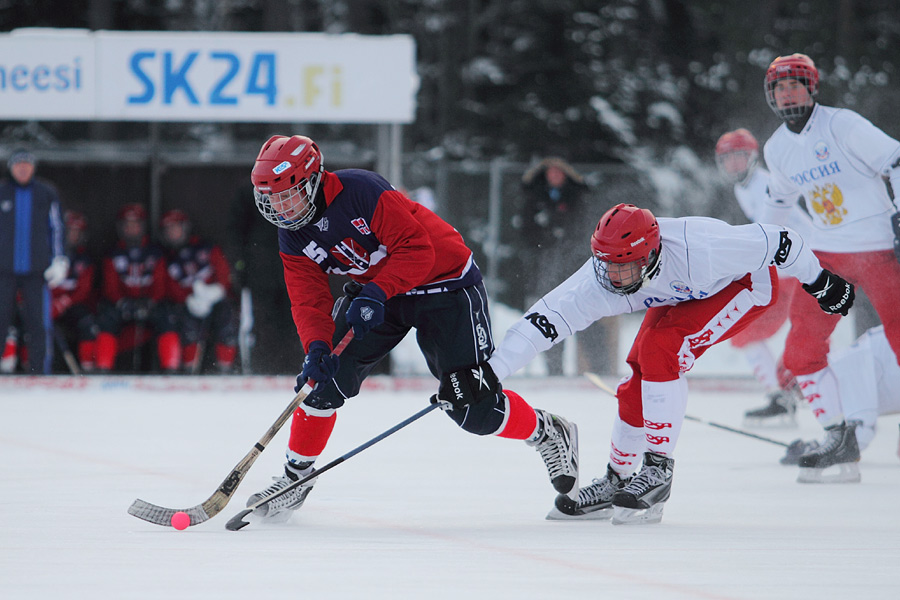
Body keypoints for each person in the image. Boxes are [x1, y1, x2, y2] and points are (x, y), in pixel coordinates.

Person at [244, 134, 579, 522]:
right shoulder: (292, 233)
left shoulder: (363, 191)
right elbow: (308, 299)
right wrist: (317, 346)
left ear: (314, 178)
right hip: (383, 293)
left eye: (288, 195)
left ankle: (548, 431)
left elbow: (419, 250)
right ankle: (295, 479)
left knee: (472, 408)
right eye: (272, 199)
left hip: (446, 286)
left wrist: (376, 292)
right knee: (321, 383)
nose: (280, 209)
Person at [482, 203, 852, 524]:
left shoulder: (703, 249)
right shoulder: (602, 277)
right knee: (638, 367)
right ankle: (618, 477)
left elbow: (783, 241)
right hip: (683, 291)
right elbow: (542, 322)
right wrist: (489, 375)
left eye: (623, 269)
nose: (612, 279)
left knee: (663, 349)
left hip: (744, 285)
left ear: (651, 256)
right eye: (606, 266)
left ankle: (658, 469)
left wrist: (821, 282)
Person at [759, 53, 900, 482]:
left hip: (878, 246)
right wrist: (755, 250)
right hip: (828, 255)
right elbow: (777, 204)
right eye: (779, 87)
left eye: (795, 84)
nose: (787, 93)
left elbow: (895, 161)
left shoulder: (844, 125)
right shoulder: (776, 148)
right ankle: (840, 438)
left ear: (813, 87)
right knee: (800, 349)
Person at [715, 128, 813, 427]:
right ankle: (788, 390)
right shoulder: (744, 188)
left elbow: (768, 234)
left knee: (746, 332)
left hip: (797, 270)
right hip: (791, 269)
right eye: (728, 158)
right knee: (757, 334)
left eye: (740, 156)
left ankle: (784, 395)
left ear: (753, 157)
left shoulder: (763, 185)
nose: (734, 164)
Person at [516, 157, 606, 374]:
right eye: (551, 172)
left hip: (576, 268)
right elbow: (526, 231)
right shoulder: (534, 199)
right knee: (551, 319)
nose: (554, 176)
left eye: (559, 172)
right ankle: (554, 371)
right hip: (546, 270)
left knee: (587, 316)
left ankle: (599, 368)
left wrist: (565, 239)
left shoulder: (578, 198)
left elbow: (585, 229)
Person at [779, 325, 900, 465]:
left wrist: (814, 450)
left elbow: (860, 434)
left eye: (798, 388)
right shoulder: (846, 362)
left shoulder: (845, 367)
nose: (801, 397)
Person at [0, 149, 68, 375]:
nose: (22, 169)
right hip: (4, 270)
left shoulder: (46, 193)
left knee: (37, 323)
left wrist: (59, 259)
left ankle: (38, 371)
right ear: (11, 168)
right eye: (18, 165)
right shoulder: (2, 192)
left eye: (26, 165)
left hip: (35, 271)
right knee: (1, 320)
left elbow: (56, 227)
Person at [159, 209, 238, 373]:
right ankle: (190, 368)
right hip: (187, 304)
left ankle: (226, 368)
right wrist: (188, 299)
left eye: (176, 228)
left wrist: (216, 291)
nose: (173, 233)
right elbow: (167, 286)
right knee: (186, 325)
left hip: (216, 300)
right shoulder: (166, 258)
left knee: (227, 319)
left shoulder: (207, 248)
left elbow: (223, 273)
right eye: (169, 230)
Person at [95, 203, 167, 372]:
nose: (131, 229)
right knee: (105, 320)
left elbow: (161, 285)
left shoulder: (155, 253)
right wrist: (122, 302)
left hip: (150, 304)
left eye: (135, 224)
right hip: (122, 304)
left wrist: (150, 302)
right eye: (127, 225)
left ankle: (171, 368)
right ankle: (102, 368)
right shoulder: (113, 253)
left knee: (167, 319)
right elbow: (110, 287)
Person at [51, 210, 99, 372]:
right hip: (48, 305)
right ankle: (31, 368)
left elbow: (83, 290)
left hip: (71, 306)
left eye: (77, 232)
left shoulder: (84, 259)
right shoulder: (47, 255)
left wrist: (64, 302)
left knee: (87, 323)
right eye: (70, 231)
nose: (73, 235)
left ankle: (88, 369)